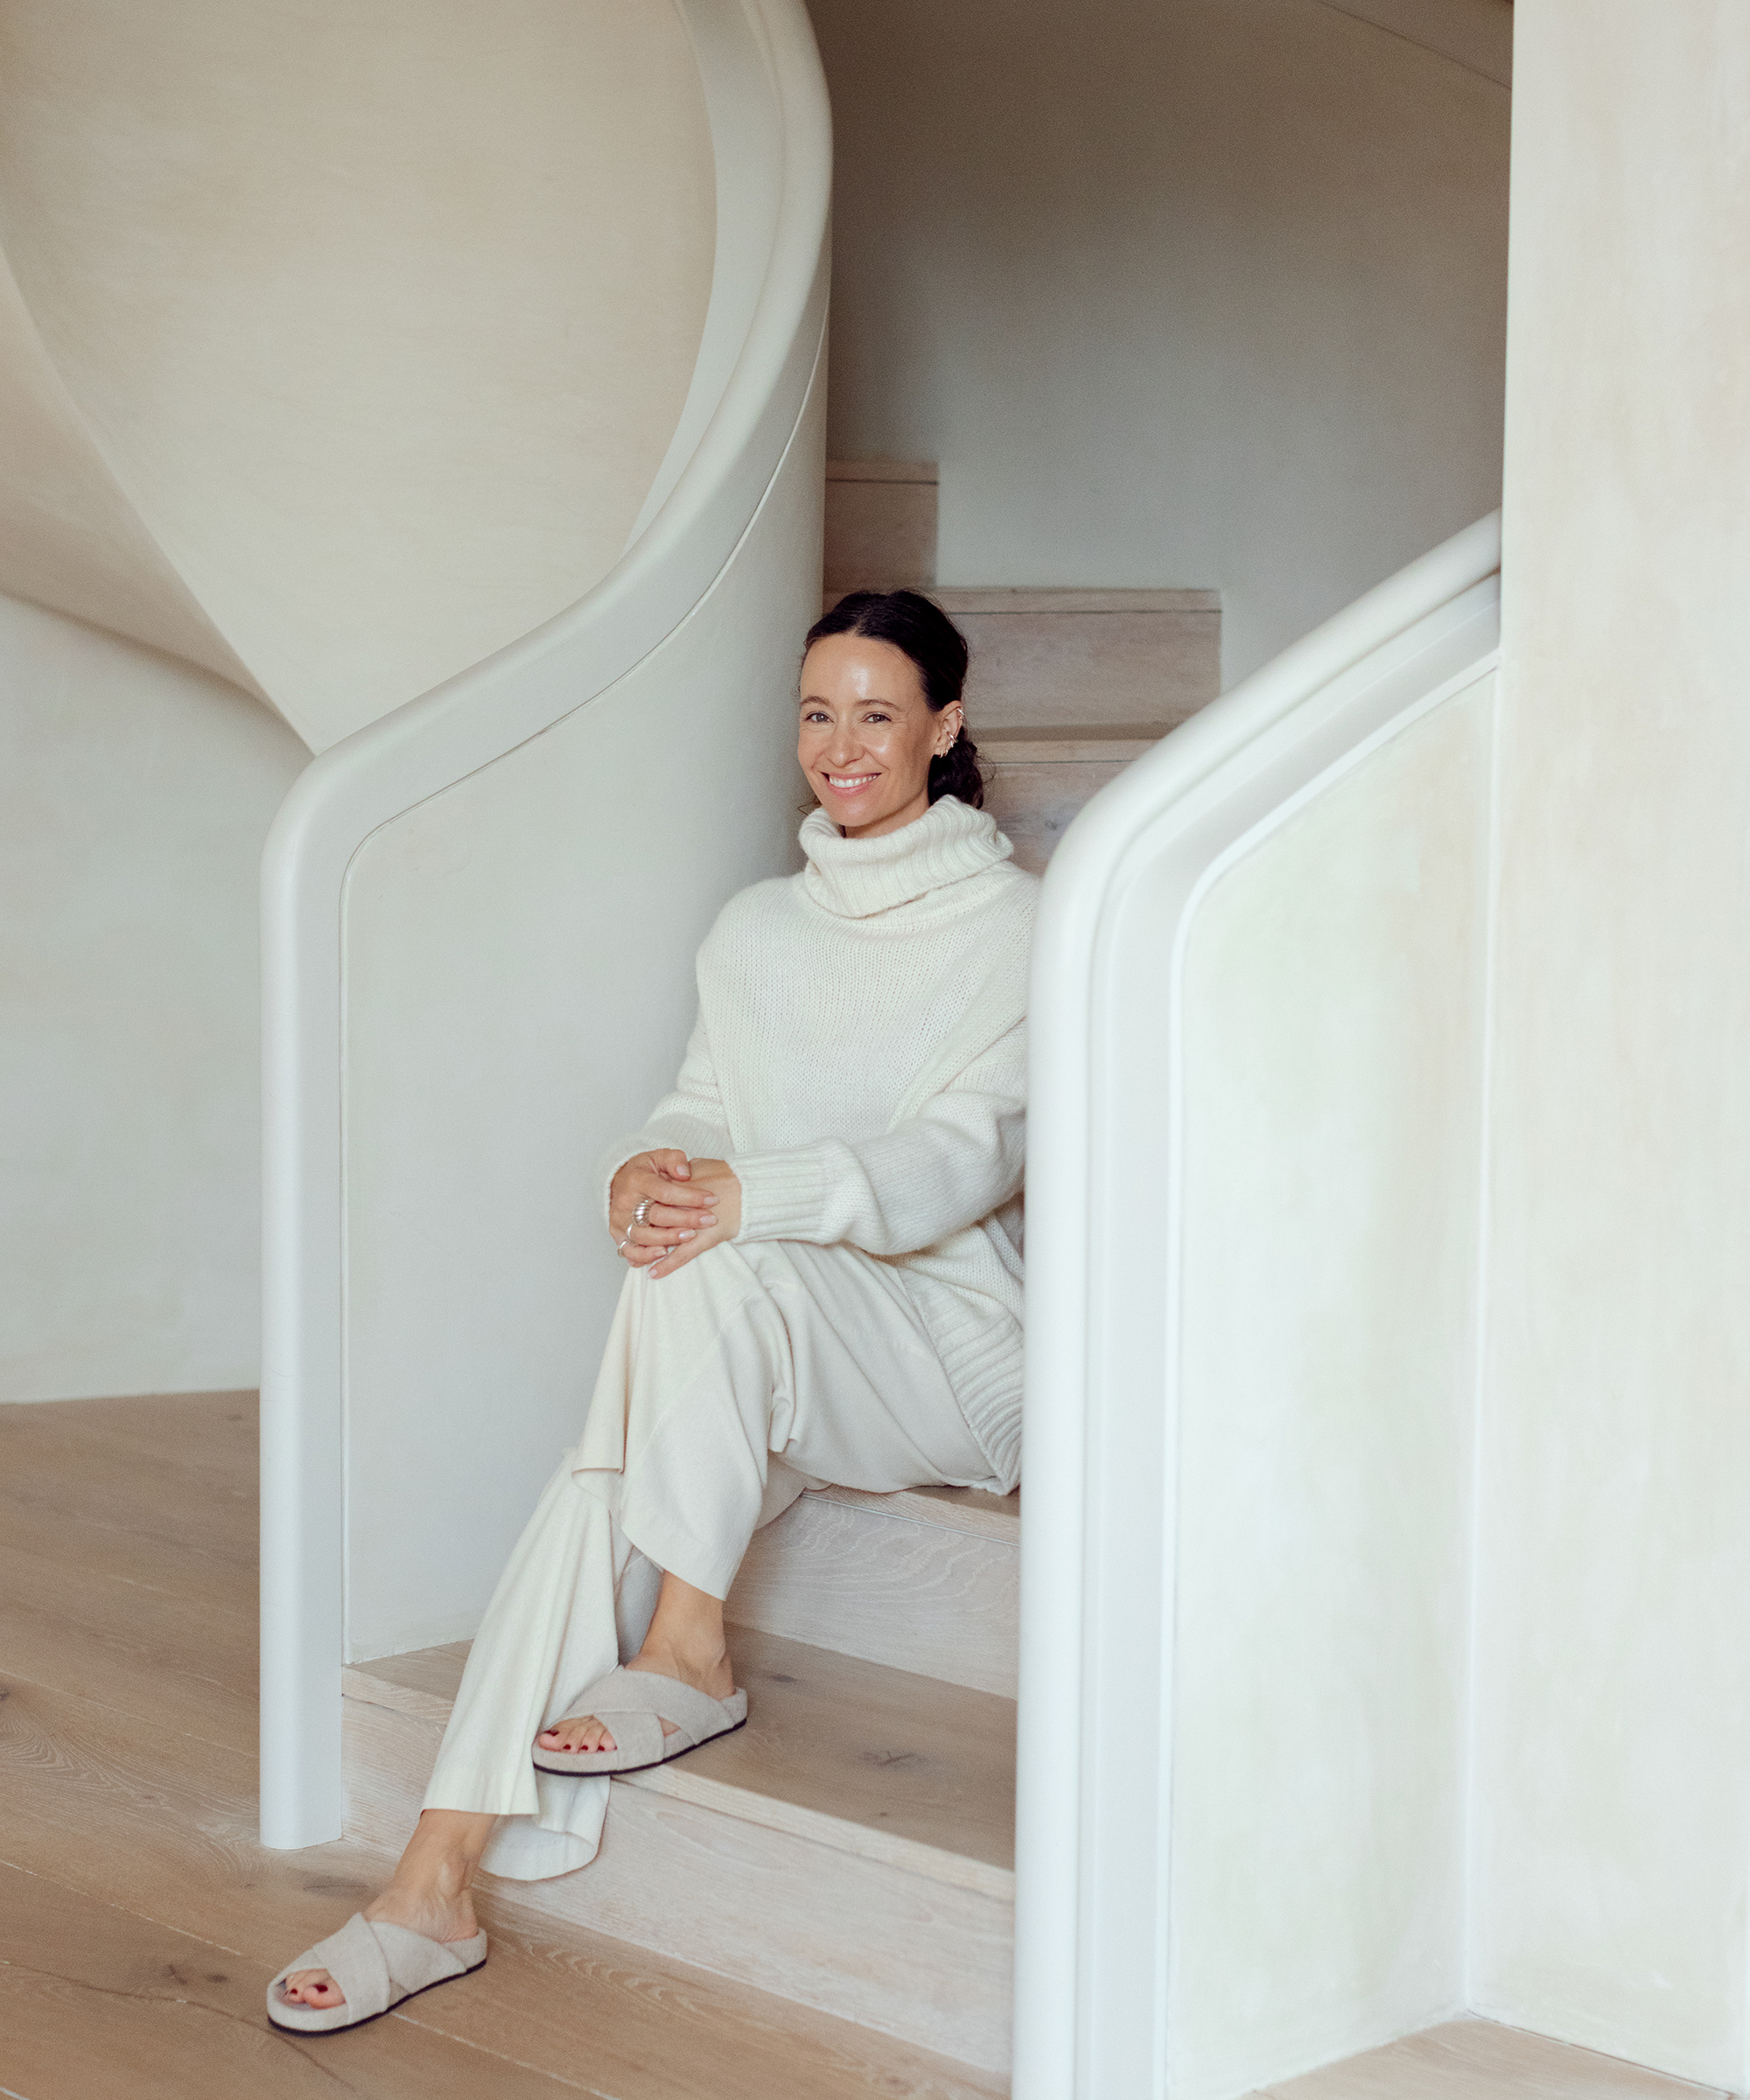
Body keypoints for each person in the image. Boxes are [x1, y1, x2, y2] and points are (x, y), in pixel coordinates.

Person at [268, 588, 1038, 2033]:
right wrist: (647, 1171)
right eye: (818, 713)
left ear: (945, 727)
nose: (842, 746)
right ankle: (432, 1881)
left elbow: (968, 1157)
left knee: (701, 1278)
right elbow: (700, 1109)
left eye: (878, 715)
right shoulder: (755, 930)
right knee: (621, 1426)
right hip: (778, 1330)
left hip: (948, 1354)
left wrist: (748, 1199)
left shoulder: (1020, 928)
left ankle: (683, 1652)